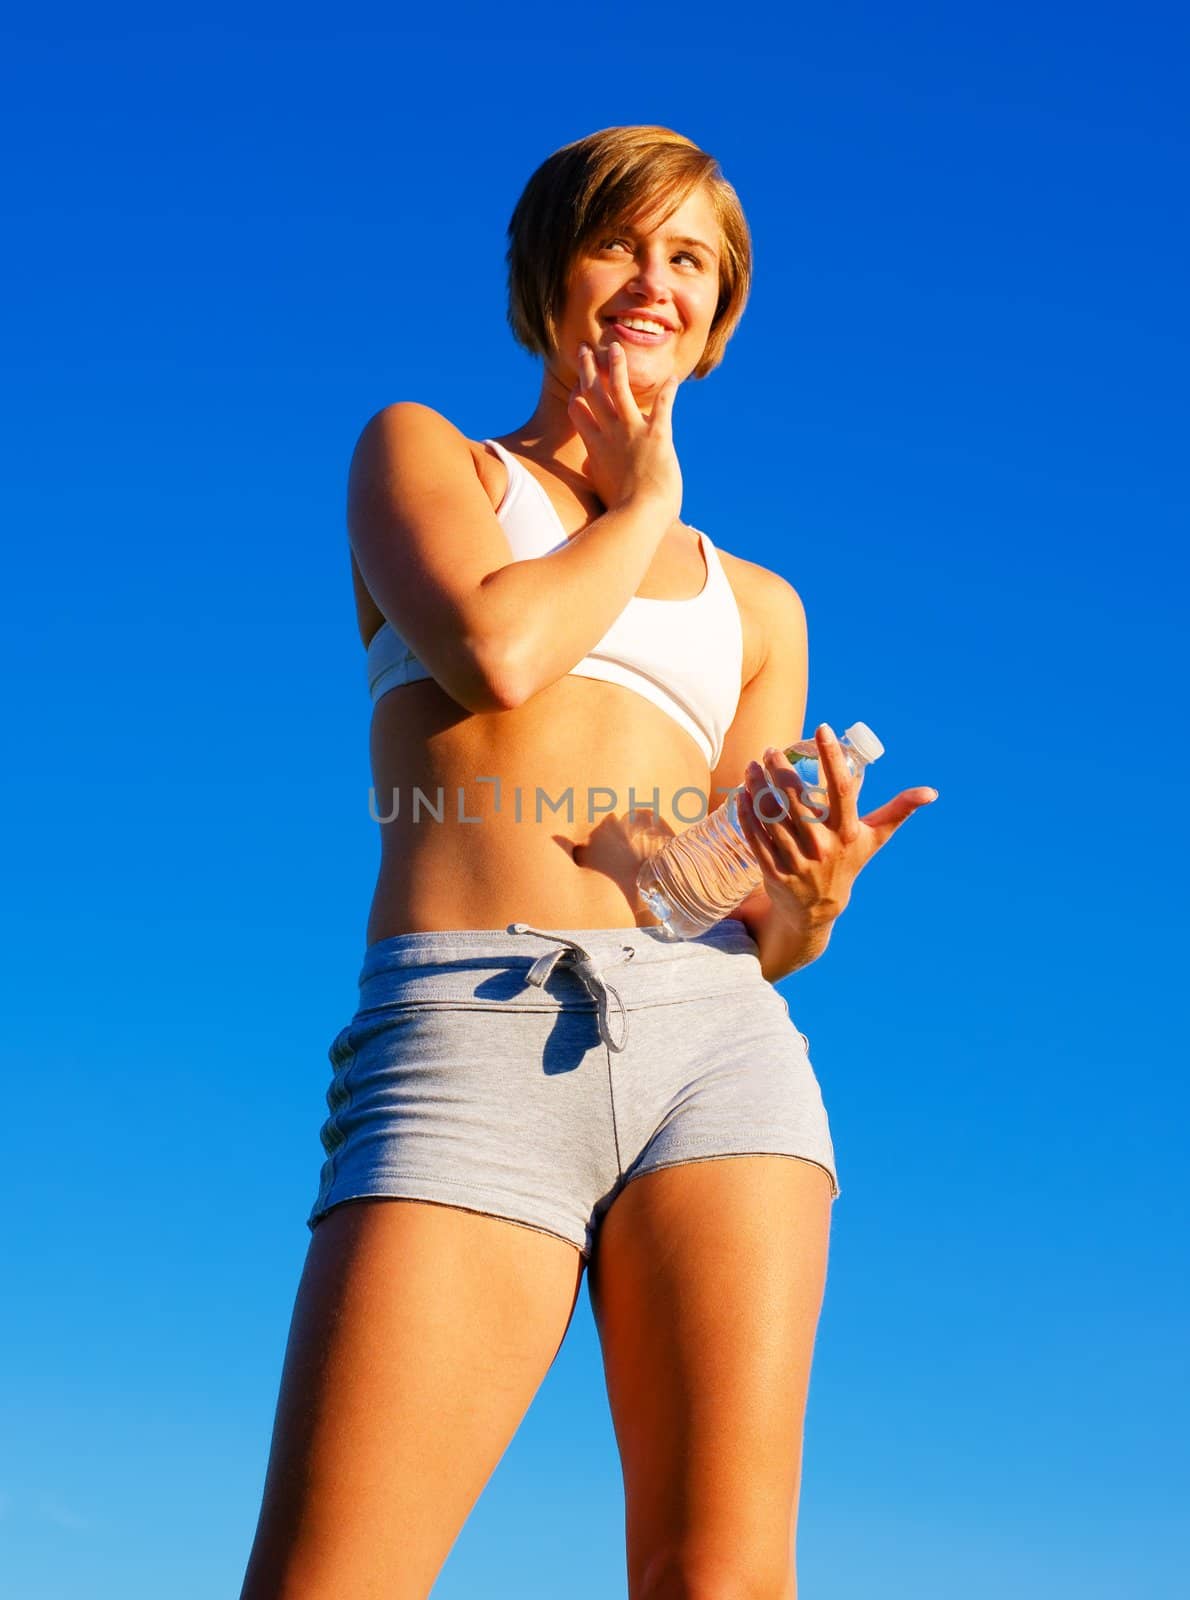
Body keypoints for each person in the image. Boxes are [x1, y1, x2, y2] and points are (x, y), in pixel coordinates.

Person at [238, 124, 937, 1600]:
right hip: (470, 1026)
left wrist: (806, 894)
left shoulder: (759, 611)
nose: (651, 280)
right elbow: (494, 653)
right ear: (550, 270)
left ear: (719, 313)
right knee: (333, 1578)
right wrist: (644, 502)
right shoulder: (428, 457)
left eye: (689, 259)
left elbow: (723, 904)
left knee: (718, 1578)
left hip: (714, 1051)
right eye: (621, 241)